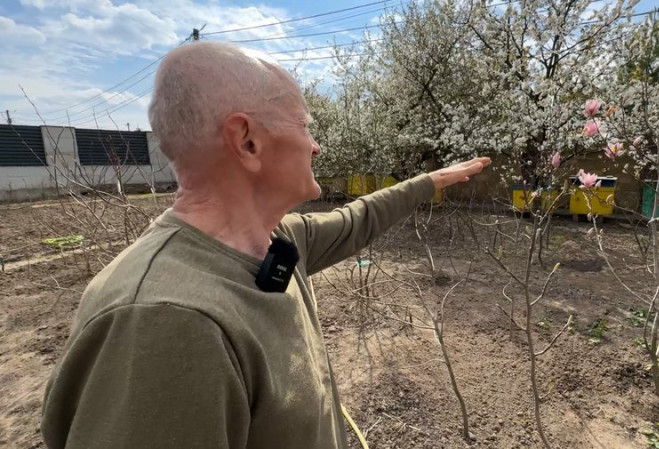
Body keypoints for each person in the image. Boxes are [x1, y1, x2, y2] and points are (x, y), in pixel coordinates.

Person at [40, 41, 490, 449]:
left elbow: (357, 219)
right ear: (248, 141)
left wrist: (429, 181)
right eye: (304, 125)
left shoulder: (279, 239)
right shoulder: (167, 322)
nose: (315, 146)